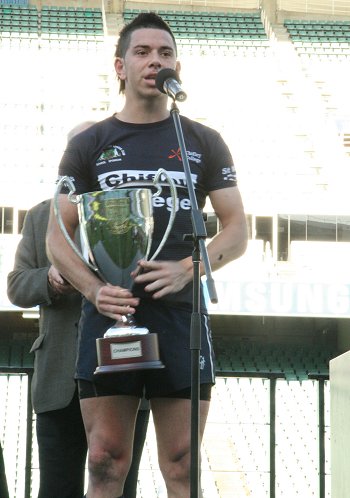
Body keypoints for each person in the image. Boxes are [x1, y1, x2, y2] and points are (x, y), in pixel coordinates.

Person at [46, 12, 248, 498]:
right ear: (120, 66)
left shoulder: (203, 141)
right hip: (111, 314)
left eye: (164, 53)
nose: (155, 61)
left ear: (177, 65)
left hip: (180, 315)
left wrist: (188, 270)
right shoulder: (90, 144)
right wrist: (95, 290)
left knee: (181, 465)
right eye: (142, 52)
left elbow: (237, 230)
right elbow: (58, 236)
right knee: (104, 462)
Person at [7, 122, 149, 498]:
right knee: (56, 488)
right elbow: (16, 285)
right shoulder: (40, 216)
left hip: (122, 371)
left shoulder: (137, 212)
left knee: (121, 487)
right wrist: (51, 279)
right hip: (59, 381)